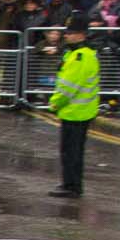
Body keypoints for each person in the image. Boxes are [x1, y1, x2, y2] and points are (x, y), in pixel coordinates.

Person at [48, 13, 99, 198]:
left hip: (76, 112)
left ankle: (72, 186)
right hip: (77, 111)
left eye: (70, 32)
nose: (66, 35)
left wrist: (54, 104)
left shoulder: (80, 56)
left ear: (81, 34)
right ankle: (70, 184)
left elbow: (69, 88)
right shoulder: (77, 53)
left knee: (71, 152)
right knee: (71, 151)